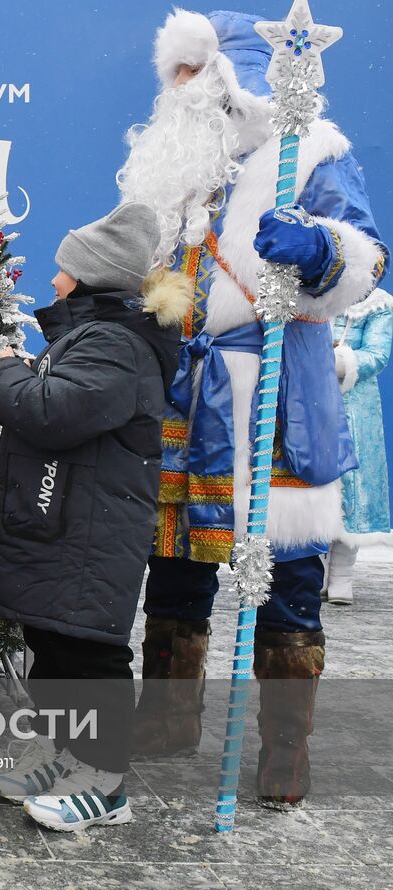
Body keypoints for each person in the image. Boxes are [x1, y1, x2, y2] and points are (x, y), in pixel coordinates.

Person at [121, 10, 386, 810]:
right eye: (175, 81)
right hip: (185, 398)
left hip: (274, 397)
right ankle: (168, 717)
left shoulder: (313, 156)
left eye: (194, 79)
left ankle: (284, 752)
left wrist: (318, 250)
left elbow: (367, 259)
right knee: (172, 569)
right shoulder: (172, 172)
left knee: (289, 576)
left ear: (233, 88)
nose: (181, 96)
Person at [0, 203, 187, 832]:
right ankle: (63, 751)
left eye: (64, 270)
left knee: (89, 653)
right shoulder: (92, 336)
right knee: (53, 640)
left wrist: (1, 370)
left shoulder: (116, 343)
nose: (54, 280)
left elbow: (52, 411)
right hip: (66, 523)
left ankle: (104, 779)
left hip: (93, 533)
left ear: (92, 278)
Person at [326, 287, 393, 603]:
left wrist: (338, 359)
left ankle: (342, 575)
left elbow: (378, 354)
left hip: (356, 407)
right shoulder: (320, 294)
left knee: (351, 489)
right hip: (313, 402)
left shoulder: (379, 305)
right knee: (315, 485)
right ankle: (313, 569)